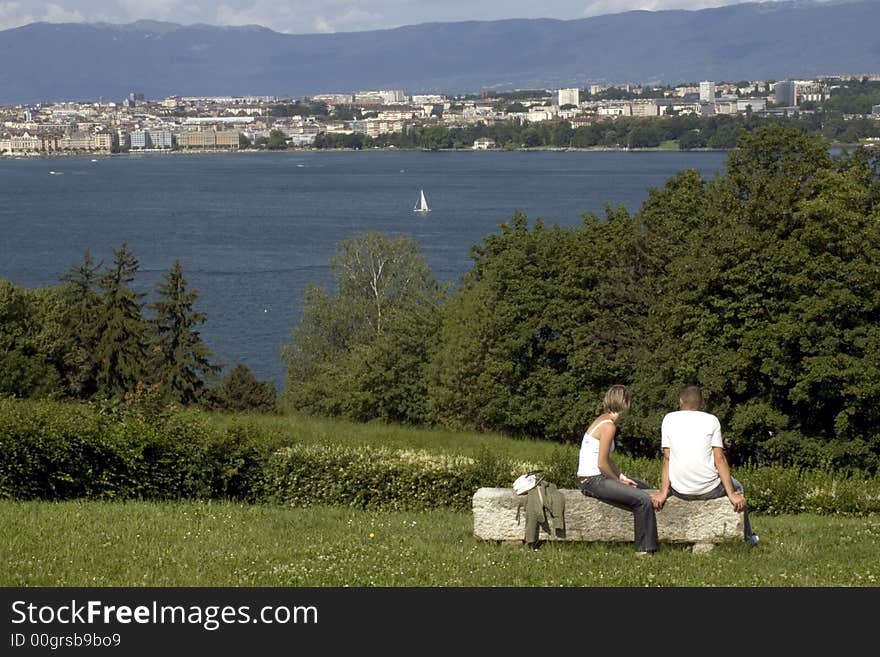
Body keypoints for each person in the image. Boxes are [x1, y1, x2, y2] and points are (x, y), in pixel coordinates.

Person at [652, 384, 759, 546]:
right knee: (738, 486)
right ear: (701, 404)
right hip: (710, 490)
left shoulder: (669, 419)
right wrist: (731, 493)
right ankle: (747, 537)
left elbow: (667, 457)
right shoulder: (711, 420)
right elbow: (719, 458)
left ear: (681, 401)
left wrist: (663, 492)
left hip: (680, 490)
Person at [577, 384, 659, 555]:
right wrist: (618, 481)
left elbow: (606, 459)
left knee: (644, 486)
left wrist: (621, 477)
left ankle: (652, 538)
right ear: (625, 402)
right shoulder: (609, 426)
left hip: (596, 478)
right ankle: (644, 550)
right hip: (593, 481)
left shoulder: (603, 420)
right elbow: (601, 464)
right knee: (643, 499)